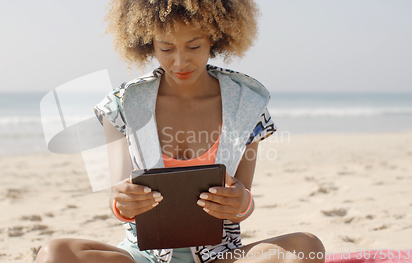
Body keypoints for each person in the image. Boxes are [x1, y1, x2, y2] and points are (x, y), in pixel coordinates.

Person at [35, 0, 325, 262]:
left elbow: (242, 201)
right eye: (166, 48)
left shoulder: (247, 105)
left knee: (307, 247)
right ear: (148, 42)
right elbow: (119, 196)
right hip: (144, 257)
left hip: (221, 257)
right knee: (54, 254)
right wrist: (123, 200)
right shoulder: (121, 106)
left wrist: (241, 201)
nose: (180, 62)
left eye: (194, 46)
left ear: (216, 37)